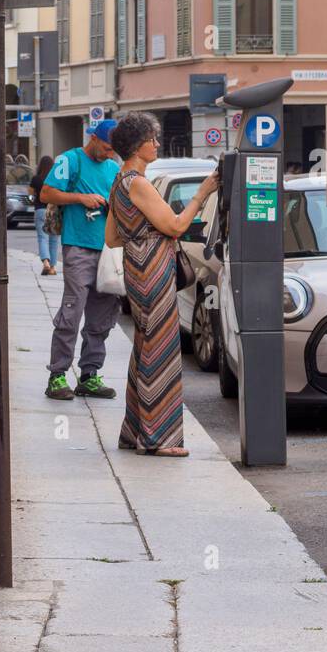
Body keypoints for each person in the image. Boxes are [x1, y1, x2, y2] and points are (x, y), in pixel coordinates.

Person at [106, 112, 218, 456]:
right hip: (154, 268)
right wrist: (202, 194)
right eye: (152, 139)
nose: (156, 144)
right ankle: (159, 439)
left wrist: (139, 238)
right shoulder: (138, 182)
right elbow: (175, 225)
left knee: (145, 344)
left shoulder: (119, 181)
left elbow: (111, 237)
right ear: (138, 146)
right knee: (162, 347)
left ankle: (134, 431)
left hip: (135, 267)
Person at [39, 120, 122, 401]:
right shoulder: (70, 160)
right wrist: (80, 198)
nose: (110, 154)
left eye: (114, 150)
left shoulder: (114, 168)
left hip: (109, 251)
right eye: (107, 148)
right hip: (78, 247)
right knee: (72, 311)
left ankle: (89, 375)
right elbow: (46, 193)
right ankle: (58, 375)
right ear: (93, 138)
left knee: (102, 316)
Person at [30, 154, 58, 276]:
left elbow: (30, 194)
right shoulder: (55, 178)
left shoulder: (36, 179)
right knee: (54, 239)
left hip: (40, 209)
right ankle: (52, 267)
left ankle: (45, 262)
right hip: (53, 210)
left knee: (42, 238)